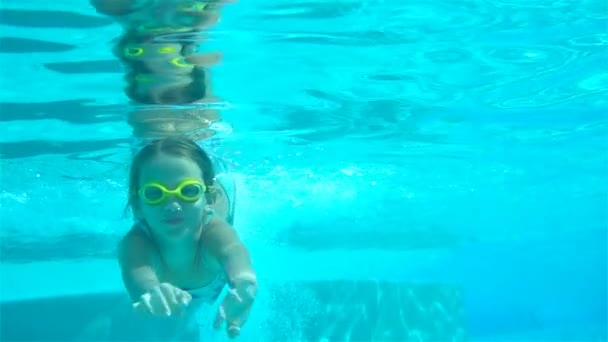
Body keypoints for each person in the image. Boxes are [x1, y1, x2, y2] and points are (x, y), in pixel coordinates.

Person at [119, 136, 257, 340]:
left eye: (188, 191)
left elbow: (233, 251)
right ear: (138, 204)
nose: (172, 205)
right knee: (179, 322)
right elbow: (138, 276)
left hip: (215, 209)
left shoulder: (213, 232)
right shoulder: (137, 243)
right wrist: (151, 292)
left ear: (208, 197)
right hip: (191, 286)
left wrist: (244, 283)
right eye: (155, 193)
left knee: (183, 317)